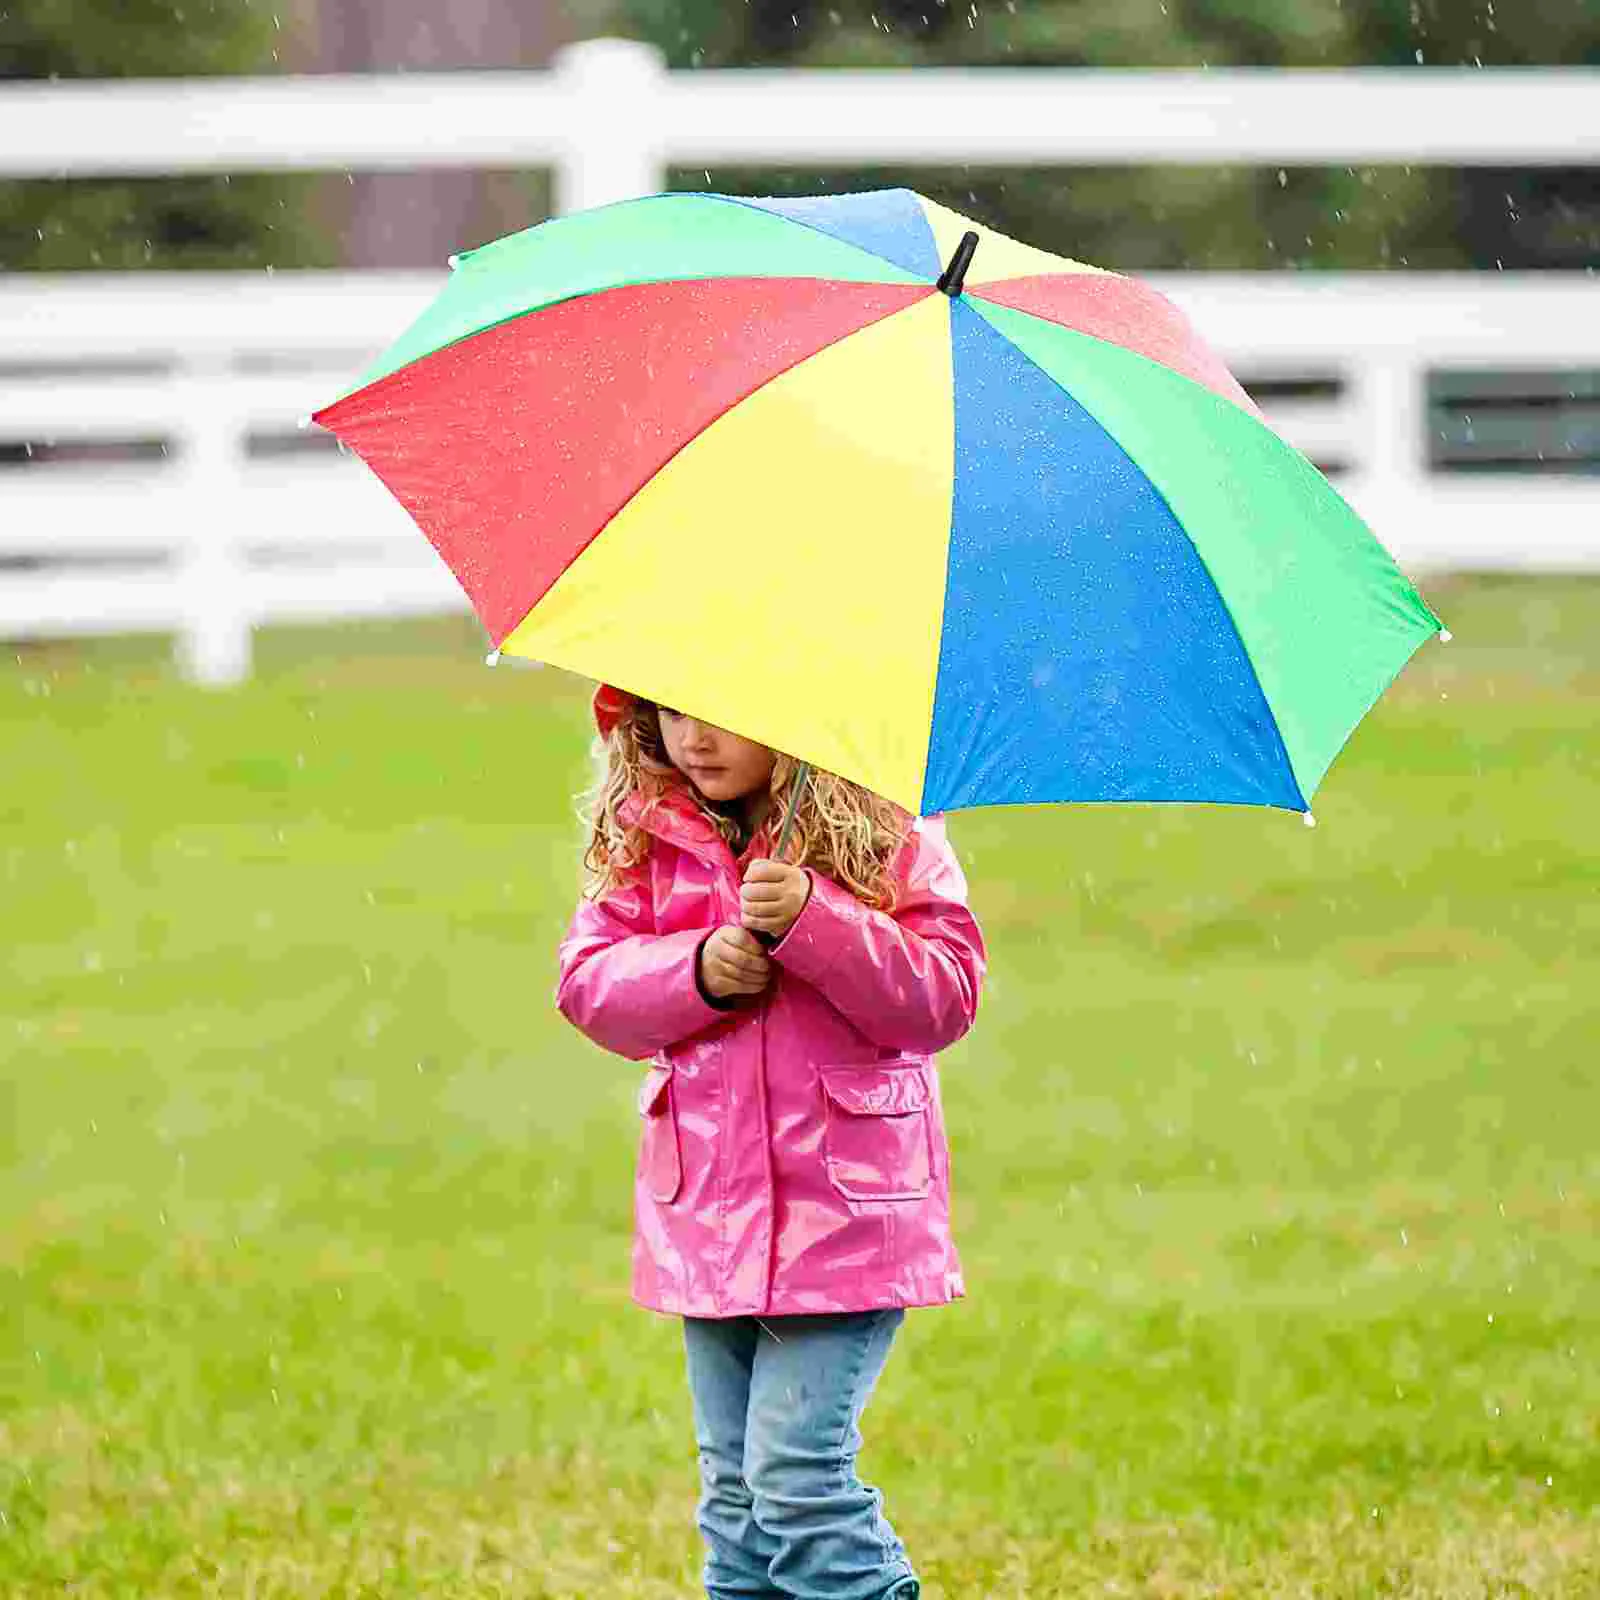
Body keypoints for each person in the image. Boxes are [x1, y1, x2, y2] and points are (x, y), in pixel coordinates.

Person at [554, 685, 987, 1600]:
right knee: (737, 1504)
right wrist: (697, 969)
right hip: (711, 1214)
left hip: (844, 1218)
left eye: (721, 709)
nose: (694, 737)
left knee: (797, 1480)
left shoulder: (883, 831)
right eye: (670, 712)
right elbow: (590, 981)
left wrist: (817, 923)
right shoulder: (652, 833)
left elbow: (943, 995)